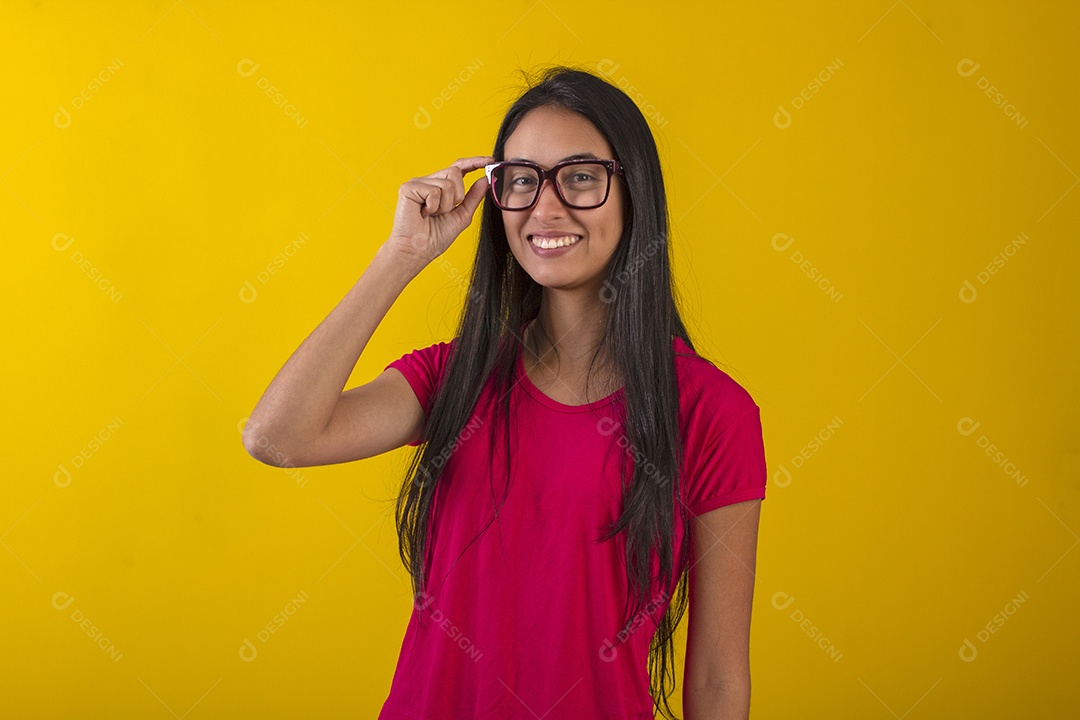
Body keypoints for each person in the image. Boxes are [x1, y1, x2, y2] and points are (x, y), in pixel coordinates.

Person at [243, 66, 767, 720]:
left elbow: (718, 680)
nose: (545, 207)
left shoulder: (711, 411)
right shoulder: (455, 379)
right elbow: (277, 438)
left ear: (635, 195)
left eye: (579, 176)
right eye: (521, 180)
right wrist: (401, 254)